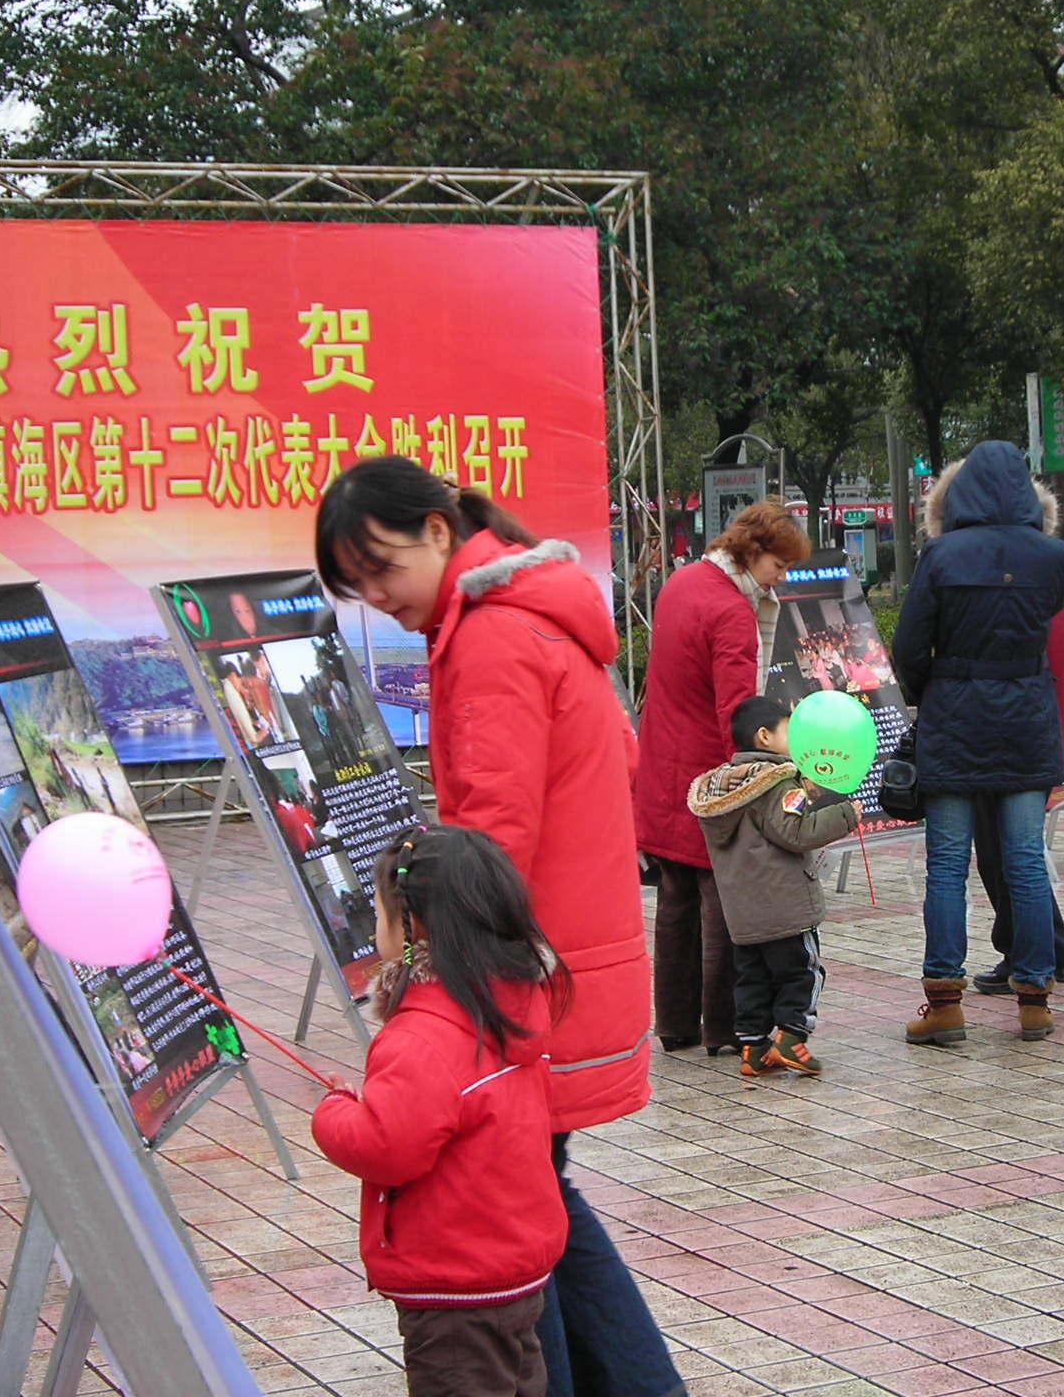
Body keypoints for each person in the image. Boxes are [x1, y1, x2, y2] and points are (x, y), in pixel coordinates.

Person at [315, 457, 680, 1397]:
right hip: (566, 960)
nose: (377, 596)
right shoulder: (529, 614)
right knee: (539, 1200)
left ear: (439, 531)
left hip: (527, 975)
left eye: (382, 568)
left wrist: (435, 978)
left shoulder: (490, 639)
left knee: (511, 1227)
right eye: (357, 585)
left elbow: (490, 838)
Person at [313, 828, 569, 1396]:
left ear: (414, 926)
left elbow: (387, 1148)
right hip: (512, 1265)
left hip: (455, 1281)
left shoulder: (422, 1036)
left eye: (380, 916)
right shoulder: (509, 1003)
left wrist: (334, 1112)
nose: (374, 932)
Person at [893, 441, 1064, 1044]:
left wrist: (934, 689)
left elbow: (909, 647)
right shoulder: (1053, 556)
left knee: (948, 865)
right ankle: (1035, 1000)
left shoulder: (941, 554)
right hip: (1025, 721)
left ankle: (945, 1003)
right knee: (1025, 861)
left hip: (955, 721)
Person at [633, 501, 810, 1057]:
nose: (782, 578)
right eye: (779, 566)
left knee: (675, 901)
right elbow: (738, 715)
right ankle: (726, 1027)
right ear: (753, 552)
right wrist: (767, 770)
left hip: (663, 767)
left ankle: (675, 1023)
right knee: (723, 902)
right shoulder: (732, 611)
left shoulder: (683, 582)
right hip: (709, 774)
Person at [687, 696, 861, 1077]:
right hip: (786, 910)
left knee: (753, 979)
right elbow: (795, 831)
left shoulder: (723, 787)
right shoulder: (776, 781)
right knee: (803, 973)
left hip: (743, 916)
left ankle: (753, 1047)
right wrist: (845, 814)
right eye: (789, 730)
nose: (796, 739)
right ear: (764, 736)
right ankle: (791, 1038)